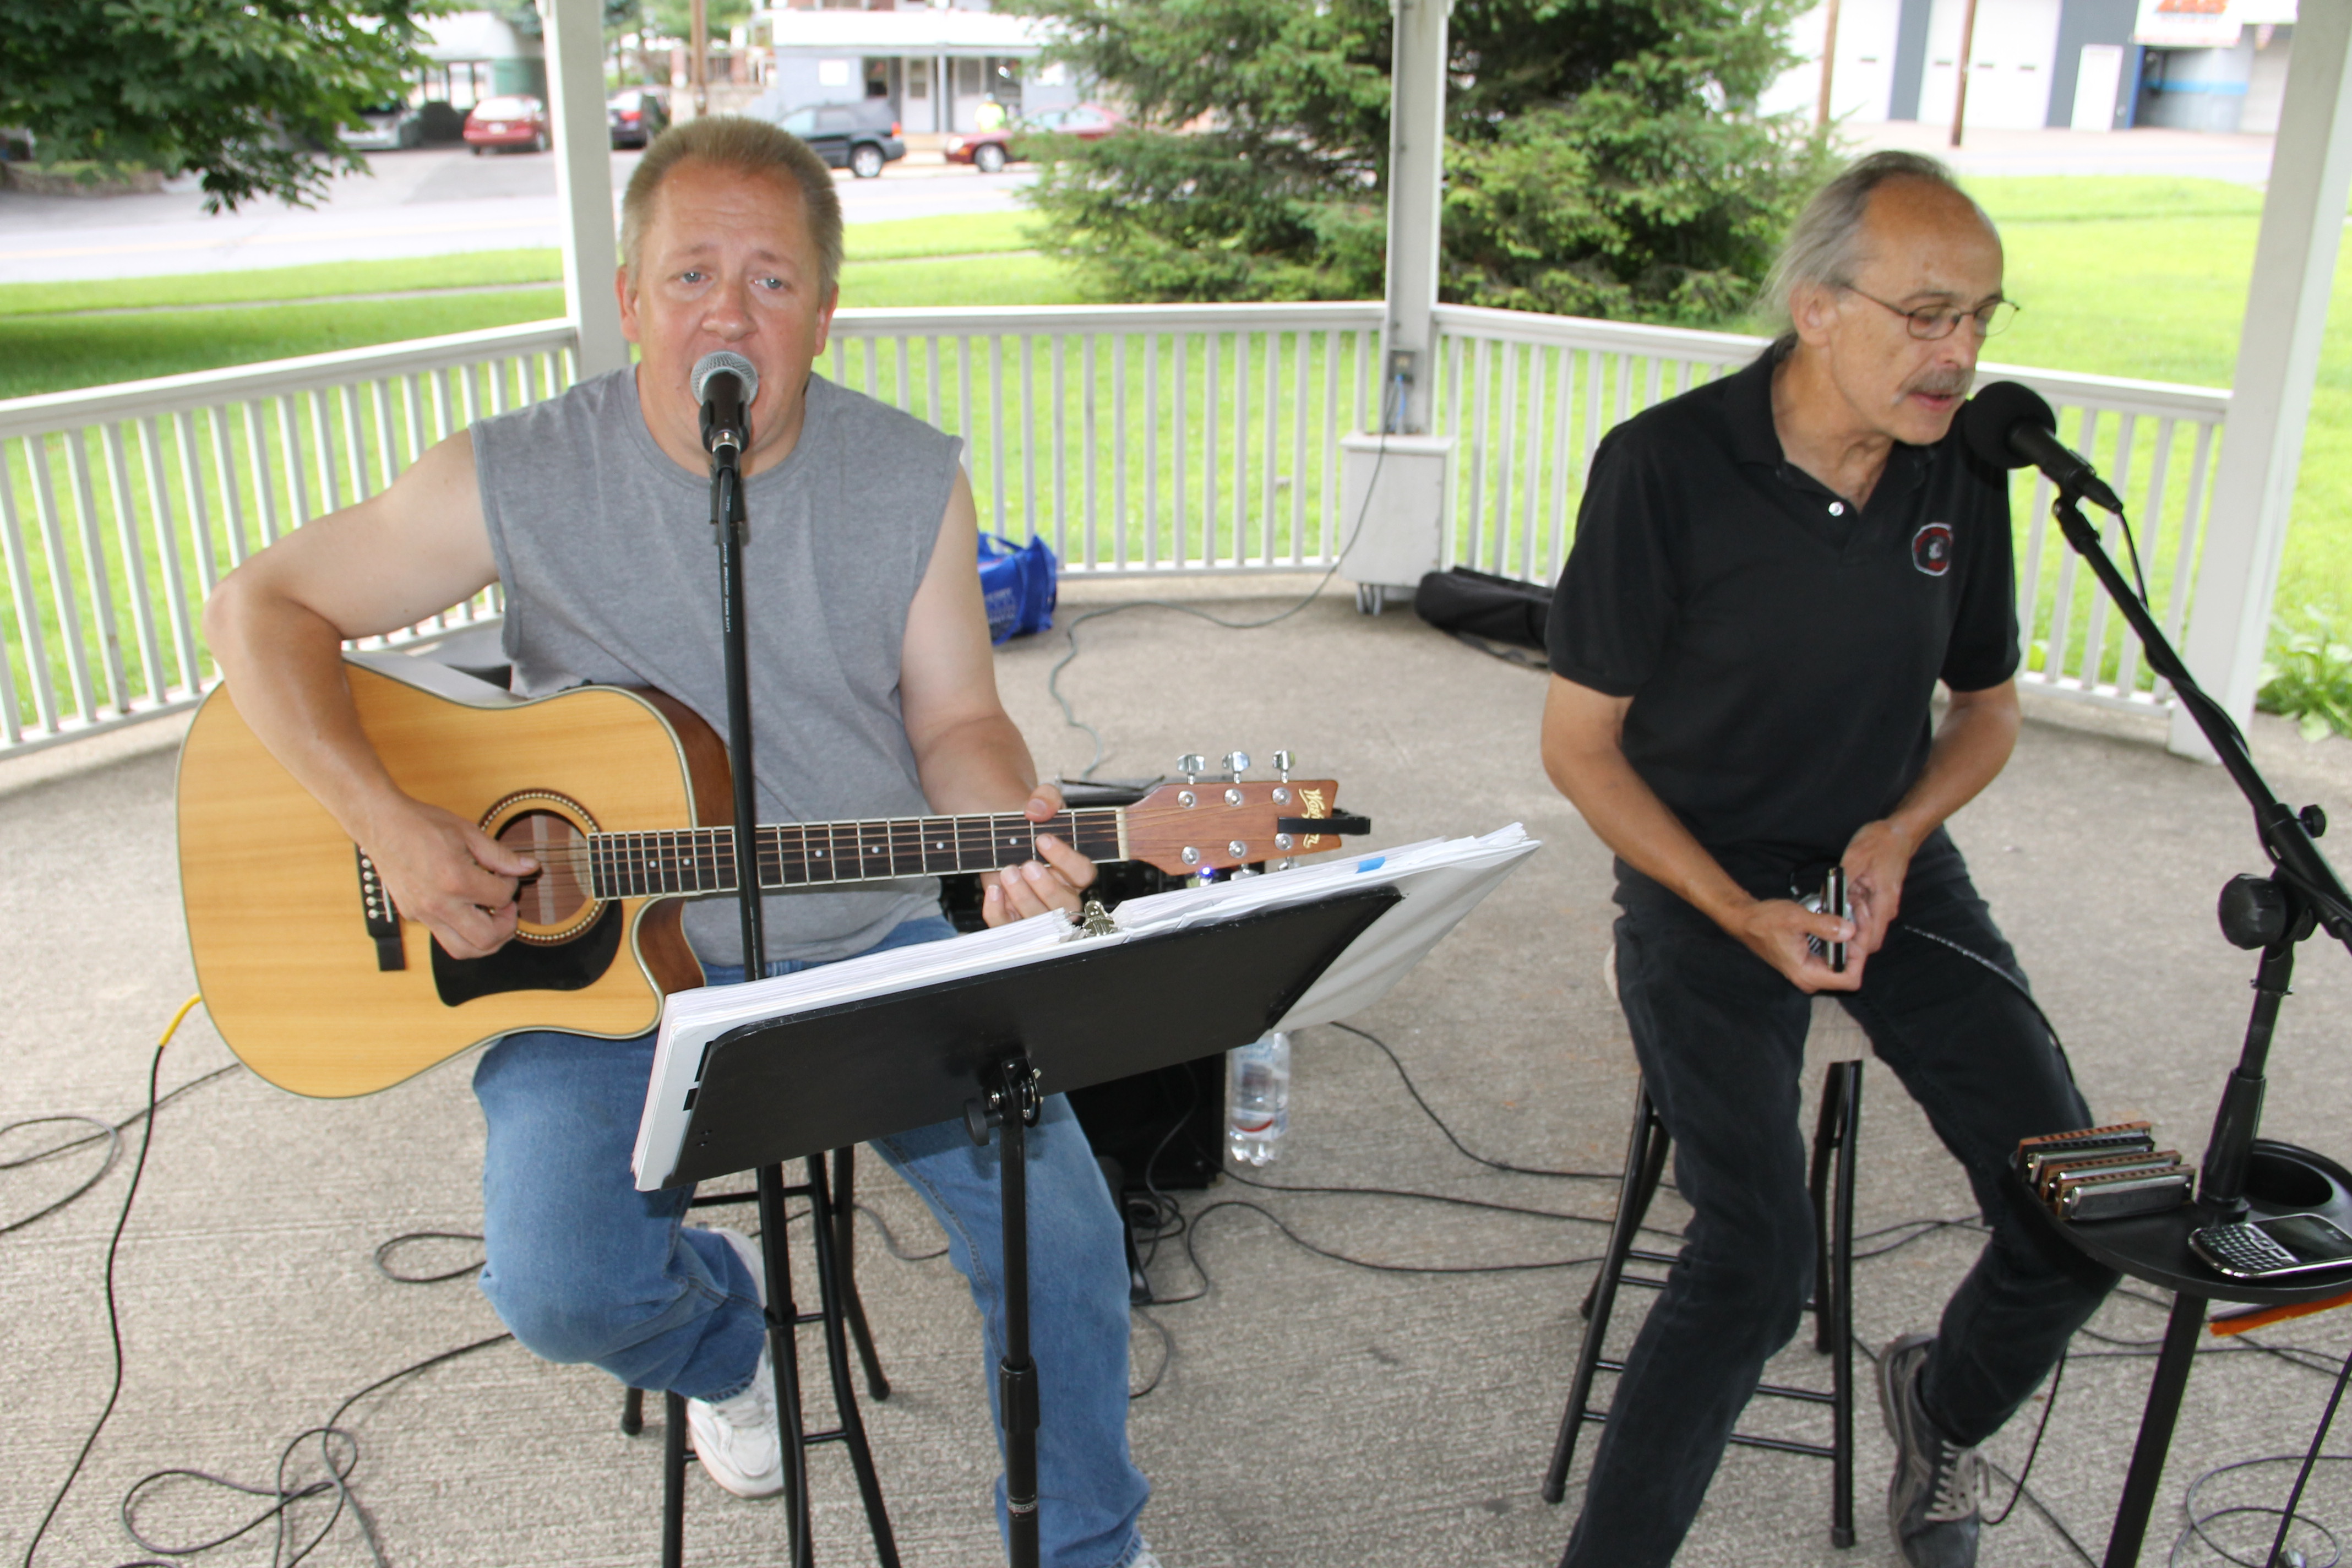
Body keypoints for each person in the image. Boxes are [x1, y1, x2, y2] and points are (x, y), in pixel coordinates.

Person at [203, 115, 1159, 1568]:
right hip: (596, 978)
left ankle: (1087, 1546)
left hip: (865, 939)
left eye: (772, 281)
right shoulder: (518, 472)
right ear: (631, 298)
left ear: (823, 313)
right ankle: (725, 1343)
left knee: (1068, 1239)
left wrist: (1010, 817)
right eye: (693, 274)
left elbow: (960, 717)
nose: (730, 314)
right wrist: (385, 820)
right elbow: (259, 606)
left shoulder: (909, 478)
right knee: (562, 1291)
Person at [1537, 150, 2116, 1568]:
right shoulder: (1665, 468)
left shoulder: (1962, 465)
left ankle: (1942, 1406)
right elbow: (1581, 749)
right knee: (1756, 1258)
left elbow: (1986, 708)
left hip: (1888, 861)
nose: (1960, 354)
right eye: (1925, 316)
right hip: (1701, 877)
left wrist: (1901, 829)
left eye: (1979, 317)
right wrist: (1734, 907)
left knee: (2083, 1208)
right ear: (1817, 308)